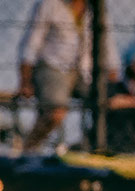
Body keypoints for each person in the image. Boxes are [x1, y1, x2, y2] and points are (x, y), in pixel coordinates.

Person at [17, 0, 119, 152]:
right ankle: (28, 148)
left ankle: (86, 148)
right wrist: (25, 81)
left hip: (86, 71)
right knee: (56, 112)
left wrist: (113, 75)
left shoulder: (96, 8)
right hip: (53, 66)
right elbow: (31, 44)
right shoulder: (49, 4)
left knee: (111, 103)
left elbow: (107, 44)